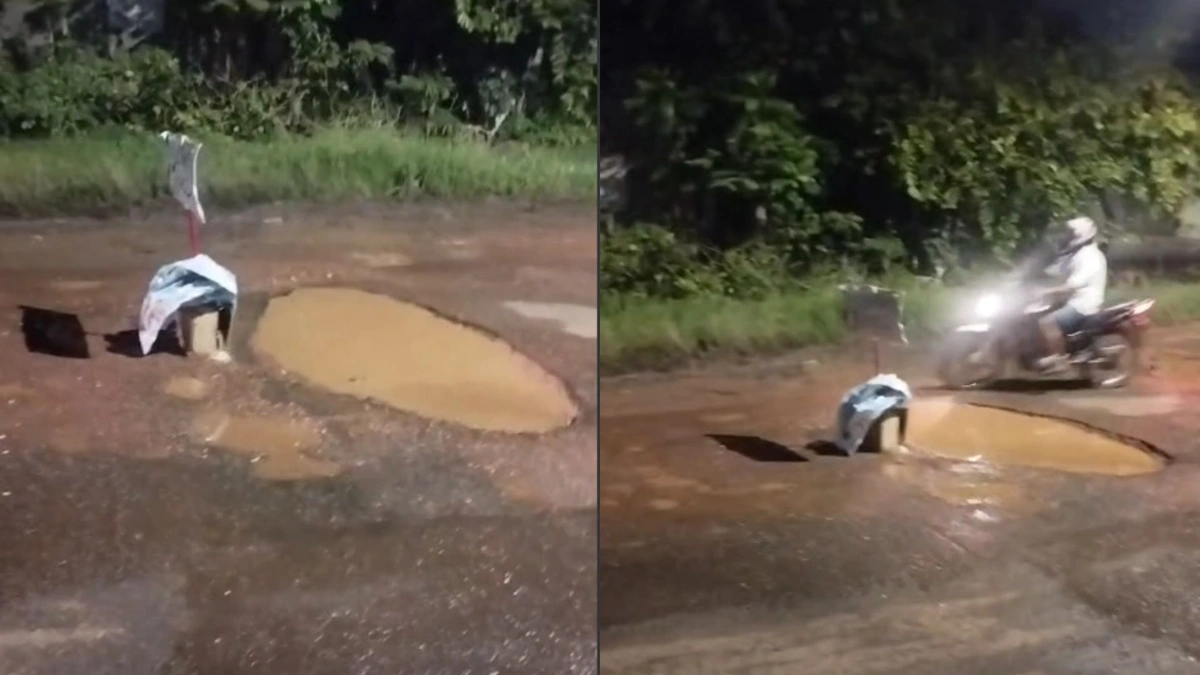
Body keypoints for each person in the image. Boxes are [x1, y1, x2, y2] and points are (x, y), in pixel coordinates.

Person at [1034, 216, 1108, 372]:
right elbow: (1055, 271)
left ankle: (1059, 358)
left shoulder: (1090, 257)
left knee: (1046, 322)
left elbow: (1072, 286)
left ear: (1082, 235)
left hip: (1084, 306)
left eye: (1070, 233)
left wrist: (1046, 291)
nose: (1066, 236)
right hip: (1071, 300)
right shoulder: (1075, 253)